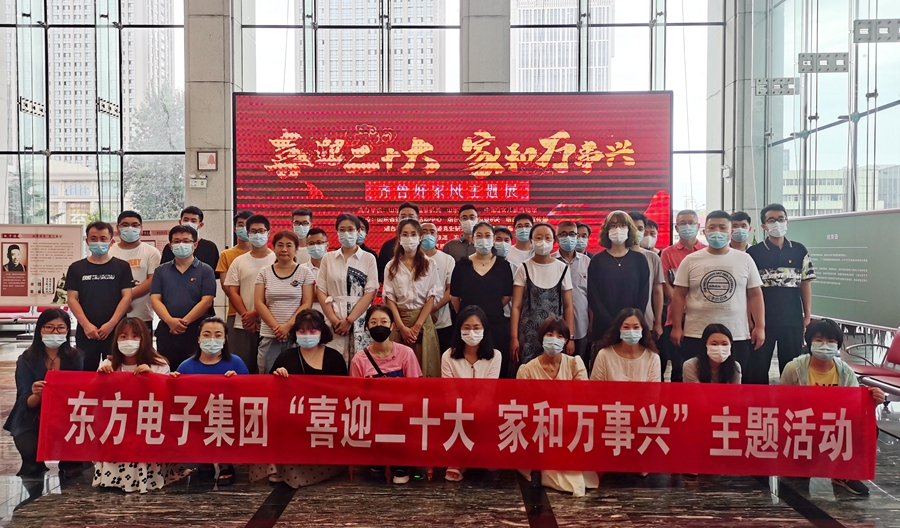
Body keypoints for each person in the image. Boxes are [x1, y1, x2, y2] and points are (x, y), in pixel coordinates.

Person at [780, 318, 885, 496]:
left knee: (867, 427)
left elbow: (855, 406)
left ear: (837, 345)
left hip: (834, 425)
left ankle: (843, 472)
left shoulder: (845, 372)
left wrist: (872, 401)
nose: (825, 345)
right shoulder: (794, 368)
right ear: (809, 342)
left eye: (831, 341)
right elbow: (780, 403)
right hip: (803, 426)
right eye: (819, 340)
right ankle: (799, 459)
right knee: (799, 476)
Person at [252, 309, 347, 488]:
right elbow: (271, 390)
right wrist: (278, 376)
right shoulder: (286, 357)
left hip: (324, 416)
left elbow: (344, 393)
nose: (307, 335)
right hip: (293, 416)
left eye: (312, 331)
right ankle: (280, 468)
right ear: (295, 333)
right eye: (302, 331)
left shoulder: (334, 358)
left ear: (322, 332)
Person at [671, 210, 765, 376]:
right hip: (696, 333)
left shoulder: (745, 259)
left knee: (733, 381)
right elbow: (679, 295)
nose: (717, 232)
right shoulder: (691, 260)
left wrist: (760, 326)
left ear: (731, 231)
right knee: (696, 380)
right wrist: (677, 327)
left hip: (736, 333)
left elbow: (755, 294)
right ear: (705, 231)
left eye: (722, 227)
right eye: (712, 227)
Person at [94, 318, 180, 493]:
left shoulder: (159, 365)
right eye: (123, 336)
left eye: (135, 336)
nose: (129, 341)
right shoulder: (108, 364)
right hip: (119, 424)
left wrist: (152, 379)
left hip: (149, 423)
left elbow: (166, 401)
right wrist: (101, 380)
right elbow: (98, 401)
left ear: (145, 338)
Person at [517, 316, 596, 497]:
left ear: (567, 340)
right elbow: (523, 406)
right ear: (541, 338)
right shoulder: (527, 370)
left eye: (560, 336)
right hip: (540, 429)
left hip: (568, 426)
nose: (554, 339)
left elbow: (582, 400)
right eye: (549, 334)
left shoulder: (575, 364)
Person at [4, 309, 83, 478]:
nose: (55, 332)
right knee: (30, 452)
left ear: (67, 331)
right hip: (33, 415)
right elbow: (25, 401)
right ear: (40, 330)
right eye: (49, 327)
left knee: (74, 466)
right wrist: (37, 394)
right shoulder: (26, 359)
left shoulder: (76, 357)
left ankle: (71, 464)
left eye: (60, 328)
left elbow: (82, 389)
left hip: (67, 414)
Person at [171, 317, 249, 487]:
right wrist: (173, 382)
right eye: (206, 335)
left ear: (225, 339)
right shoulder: (185, 366)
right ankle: (203, 461)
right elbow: (175, 400)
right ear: (199, 339)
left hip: (226, 418)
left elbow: (250, 395)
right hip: (198, 419)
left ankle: (226, 463)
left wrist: (238, 382)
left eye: (218, 335)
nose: (212, 339)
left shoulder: (236, 363)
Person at [349, 305, 423, 485]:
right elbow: (355, 395)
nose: (379, 326)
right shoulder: (359, 359)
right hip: (374, 416)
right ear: (367, 326)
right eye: (373, 322)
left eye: (383, 322)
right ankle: (377, 460)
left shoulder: (406, 353)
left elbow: (415, 388)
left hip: (401, 415)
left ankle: (401, 463)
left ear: (392, 326)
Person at [747, 203, 816, 384]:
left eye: (781, 219)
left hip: (792, 320)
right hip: (763, 322)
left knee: (792, 369)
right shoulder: (753, 253)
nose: (777, 223)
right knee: (757, 368)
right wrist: (750, 320)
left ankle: (790, 401)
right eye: (771, 220)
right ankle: (757, 400)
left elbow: (805, 284)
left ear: (787, 222)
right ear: (764, 225)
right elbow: (749, 291)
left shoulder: (799, 250)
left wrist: (807, 315)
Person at [440, 305, 501, 482]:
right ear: (459, 330)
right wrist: (463, 413)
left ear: (484, 329)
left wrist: (474, 413)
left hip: (484, 412)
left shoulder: (495, 356)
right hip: (456, 412)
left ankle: (479, 454)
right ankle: (457, 460)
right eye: (466, 328)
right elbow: (449, 391)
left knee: (490, 463)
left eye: (476, 327)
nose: (471, 332)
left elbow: (488, 391)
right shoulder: (448, 356)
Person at [66, 221, 134, 372]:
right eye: (94, 238)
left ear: (111, 241)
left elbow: (127, 297)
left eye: (103, 239)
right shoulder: (76, 268)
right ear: (87, 241)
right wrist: (86, 325)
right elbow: (72, 299)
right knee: (86, 372)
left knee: (116, 371)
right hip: (86, 331)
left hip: (116, 330)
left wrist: (111, 324)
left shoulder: (122, 267)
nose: (98, 242)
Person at [451, 222, 514, 377]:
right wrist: (468, 314)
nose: (483, 239)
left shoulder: (503, 266)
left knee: (495, 369)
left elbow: (506, 296)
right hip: (468, 327)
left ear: (493, 239)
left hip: (495, 325)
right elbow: (455, 297)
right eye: (479, 236)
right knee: (466, 368)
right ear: (473, 239)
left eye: (487, 236)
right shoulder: (462, 265)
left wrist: (490, 307)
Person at [150, 225, 217, 369]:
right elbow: (155, 299)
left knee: (195, 371)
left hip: (197, 330)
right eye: (177, 241)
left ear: (195, 245)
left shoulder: (206, 270)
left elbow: (206, 301)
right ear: (170, 246)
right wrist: (170, 321)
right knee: (168, 370)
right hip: (167, 329)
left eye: (186, 241)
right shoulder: (161, 271)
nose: (181, 245)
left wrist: (184, 323)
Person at [586, 211, 650, 360]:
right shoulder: (597, 261)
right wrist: (613, 324)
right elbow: (593, 297)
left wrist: (628, 323)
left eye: (622, 225)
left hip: (631, 329)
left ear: (629, 229)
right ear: (607, 230)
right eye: (613, 225)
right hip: (603, 328)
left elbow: (643, 296)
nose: (618, 229)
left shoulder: (639, 260)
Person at [510, 223, 575, 368]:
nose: (543, 242)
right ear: (531, 241)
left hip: (556, 334)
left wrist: (570, 338)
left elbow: (569, 306)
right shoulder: (524, 268)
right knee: (527, 372)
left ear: (554, 241)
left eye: (547, 238)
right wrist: (514, 338)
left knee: (554, 371)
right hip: (528, 334)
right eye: (538, 238)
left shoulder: (562, 268)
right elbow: (516, 306)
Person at [317, 213, 379, 366]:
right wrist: (335, 321)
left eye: (350, 229)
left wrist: (349, 321)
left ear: (358, 232)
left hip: (360, 319)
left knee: (360, 364)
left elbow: (370, 292)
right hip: (334, 318)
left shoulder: (368, 258)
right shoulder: (328, 258)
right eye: (342, 230)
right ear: (337, 232)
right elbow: (321, 290)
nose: (346, 233)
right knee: (334, 363)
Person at [383, 219, 442, 377]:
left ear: (420, 237)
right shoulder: (391, 266)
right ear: (399, 238)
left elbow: (432, 296)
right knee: (399, 370)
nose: (409, 238)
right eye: (405, 234)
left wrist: (417, 327)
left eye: (413, 234)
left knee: (426, 369)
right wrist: (402, 327)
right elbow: (389, 298)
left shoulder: (430, 264)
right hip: (400, 322)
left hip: (422, 322)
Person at [255, 230, 315, 374]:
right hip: (270, 334)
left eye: (289, 245)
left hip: (295, 335)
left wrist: (288, 327)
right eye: (280, 245)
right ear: (273, 247)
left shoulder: (305, 272)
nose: (284, 249)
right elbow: (259, 303)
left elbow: (307, 303)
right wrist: (276, 328)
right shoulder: (264, 272)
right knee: (266, 374)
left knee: (295, 376)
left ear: (296, 249)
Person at [224, 214, 276, 374]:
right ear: (247, 234)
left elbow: (279, 291)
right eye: (253, 231)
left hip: (272, 323)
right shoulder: (239, 261)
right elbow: (232, 291)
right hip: (243, 324)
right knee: (242, 369)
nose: (257, 234)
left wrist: (256, 313)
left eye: (261, 231)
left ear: (268, 233)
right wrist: (246, 316)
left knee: (267, 370)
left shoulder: (276, 259)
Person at [659, 209, 706, 382]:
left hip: (702, 317)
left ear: (698, 226)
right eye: (683, 223)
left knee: (702, 365)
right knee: (678, 367)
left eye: (691, 223)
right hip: (676, 318)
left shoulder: (707, 252)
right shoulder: (667, 253)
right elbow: (665, 284)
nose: (687, 226)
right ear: (676, 228)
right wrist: (682, 304)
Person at [553, 221, 591, 366]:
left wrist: (592, 323)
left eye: (572, 234)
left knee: (579, 367)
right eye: (563, 234)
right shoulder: (550, 261)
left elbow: (591, 296)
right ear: (557, 238)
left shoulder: (587, 262)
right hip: (555, 326)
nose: (568, 237)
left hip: (581, 325)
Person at [590, 308, 661, 382]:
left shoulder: (652, 358)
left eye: (636, 327)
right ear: (619, 329)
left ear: (643, 329)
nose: (631, 331)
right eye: (626, 327)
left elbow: (654, 388)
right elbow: (595, 386)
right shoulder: (604, 355)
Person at [628, 211, 665, 340]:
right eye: (633, 228)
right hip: (620, 322)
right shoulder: (615, 258)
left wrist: (658, 322)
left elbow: (657, 291)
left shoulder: (653, 258)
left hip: (646, 320)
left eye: (640, 229)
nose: (636, 232)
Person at [216, 210, 254, 330]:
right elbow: (226, 287)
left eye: (248, 225)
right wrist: (244, 313)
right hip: (235, 313)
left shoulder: (268, 255)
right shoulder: (226, 255)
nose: (244, 228)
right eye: (241, 225)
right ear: (234, 228)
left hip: (262, 313)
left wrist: (256, 312)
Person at [421, 222, 456, 353]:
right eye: (424, 232)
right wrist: (424, 312)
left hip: (441, 321)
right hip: (415, 321)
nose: (428, 235)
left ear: (437, 236)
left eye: (432, 232)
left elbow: (451, 289)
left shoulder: (448, 259)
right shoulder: (410, 259)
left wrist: (431, 309)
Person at [160, 206, 221, 276]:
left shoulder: (210, 247)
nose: (189, 223)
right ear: (180, 222)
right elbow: (164, 272)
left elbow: (212, 274)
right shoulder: (171, 247)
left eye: (193, 221)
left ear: (200, 225)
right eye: (186, 220)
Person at [377, 202, 419, 283]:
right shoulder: (387, 246)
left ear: (417, 219)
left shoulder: (424, 246)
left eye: (411, 217)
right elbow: (382, 274)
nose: (407, 219)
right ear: (398, 219)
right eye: (403, 217)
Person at [304, 227, 329, 313]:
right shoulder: (301, 269)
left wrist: (312, 294)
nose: (315, 246)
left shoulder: (335, 268)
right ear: (307, 246)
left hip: (331, 315)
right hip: (308, 314)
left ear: (327, 245)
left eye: (319, 243)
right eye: (311, 243)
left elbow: (337, 294)